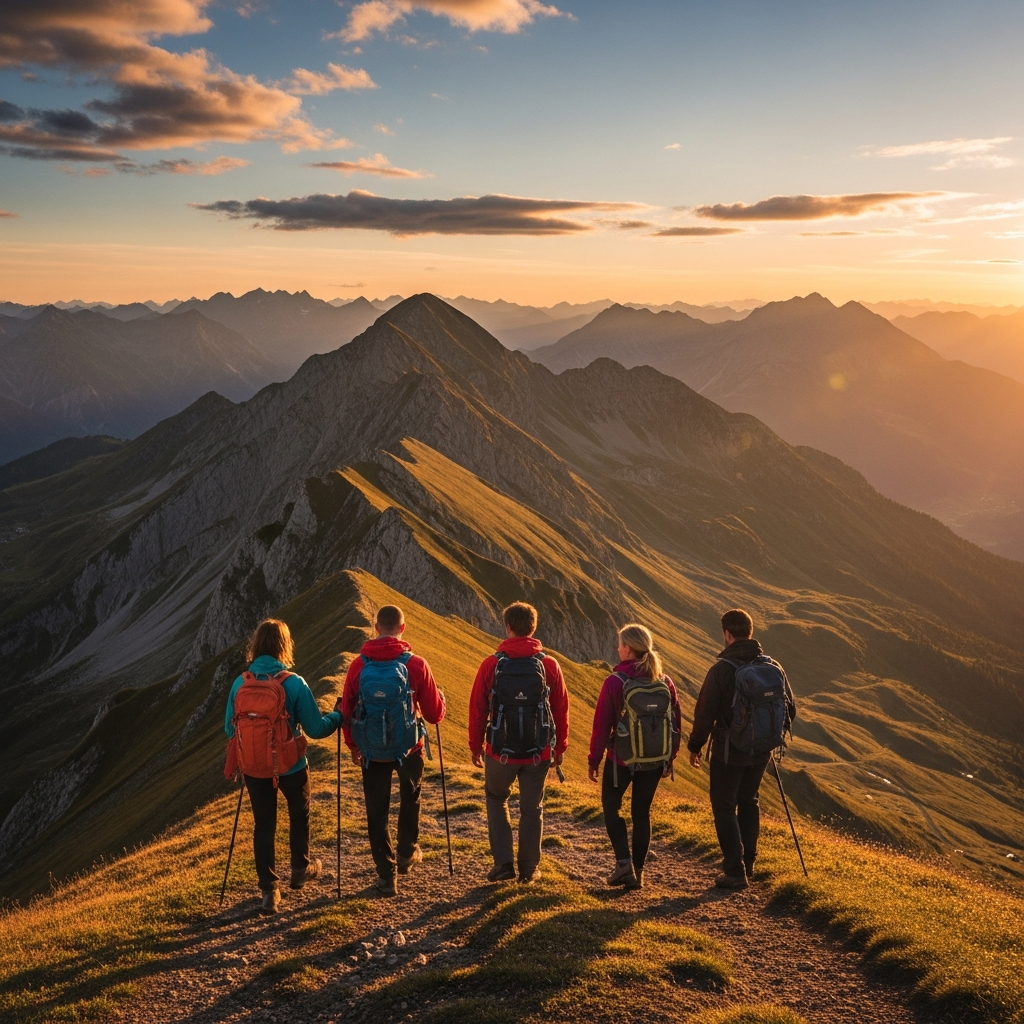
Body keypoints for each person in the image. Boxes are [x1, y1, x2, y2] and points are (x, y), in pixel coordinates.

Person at [224, 618, 341, 914]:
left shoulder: (241, 682)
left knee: (264, 825)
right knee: (299, 814)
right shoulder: (294, 682)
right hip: (290, 766)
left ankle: (268, 892)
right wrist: (338, 716)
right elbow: (315, 729)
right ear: (284, 646)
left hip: (254, 768)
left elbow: (229, 729)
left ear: (257, 646)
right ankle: (300, 869)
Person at [687, 609, 796, 889]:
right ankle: (749, 864)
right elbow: (790, 710)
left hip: (729, 750)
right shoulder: (773, 667)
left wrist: (695, 746)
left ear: (727, 634)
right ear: (750, 631)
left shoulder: (722, 670)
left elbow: (705, 713)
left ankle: (734, 872)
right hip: (761, 751)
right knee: (749, 800)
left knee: (724, 806)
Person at [341, 605, 446, 896]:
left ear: (376, 628)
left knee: (377, 811)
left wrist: (353, 745)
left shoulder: (358, 665)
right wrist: (441, 701)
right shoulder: (416, 664)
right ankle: (406, 853)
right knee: (410, 798)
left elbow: (346, 710)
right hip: (409, 747)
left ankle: (386, 876)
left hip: (372, 749)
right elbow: (435, 714)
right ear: (403, 628)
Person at [469, 601, 569, 884]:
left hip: (500, 751)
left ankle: (503, 864)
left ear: (508, 627)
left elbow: (478, 709)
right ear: (533, 628)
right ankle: (529, 869)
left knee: (496, 798)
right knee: (532, 808)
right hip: (538, 752)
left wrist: (476, 746)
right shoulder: (549, 664)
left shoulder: (492, 664)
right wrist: (559, 747)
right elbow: (560, 709)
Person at [588, 623, 681, 889]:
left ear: (628, 649)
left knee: (611, 807)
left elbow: (601, 724)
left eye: (620, 644)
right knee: (642, 813)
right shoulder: (664, 681)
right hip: (653, 760)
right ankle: (638, 872)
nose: (617, 648)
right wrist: (669, 758)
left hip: (621, 760)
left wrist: (594, 760)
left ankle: (623, 864)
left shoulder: (615, 681)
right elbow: (675, 723)